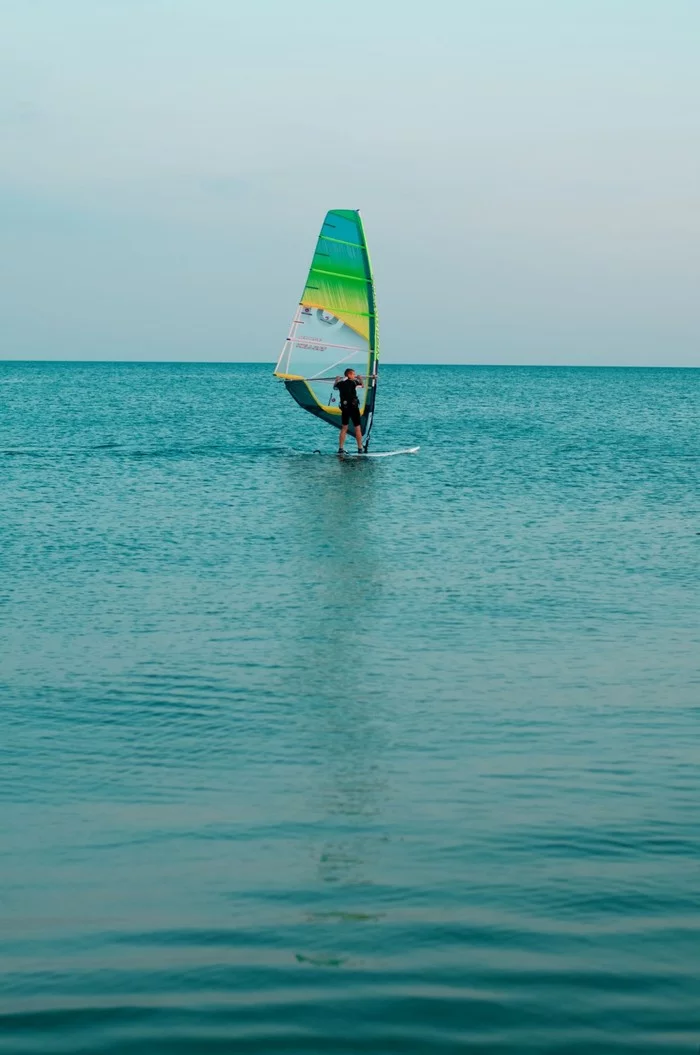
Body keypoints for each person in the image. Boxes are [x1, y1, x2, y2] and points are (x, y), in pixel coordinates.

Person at [333, 368, 364, 454]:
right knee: (357, 428)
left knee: (344, 428)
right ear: (349, 375)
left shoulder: (340, 383)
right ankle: (360, 448)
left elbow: (334, 387)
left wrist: (337, 379)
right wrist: (360, 378)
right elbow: (362, 385)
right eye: (353, 374)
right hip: (353, 408)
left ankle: (340, 448)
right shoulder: (354, 382)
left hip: (345, 408)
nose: (354, 376)